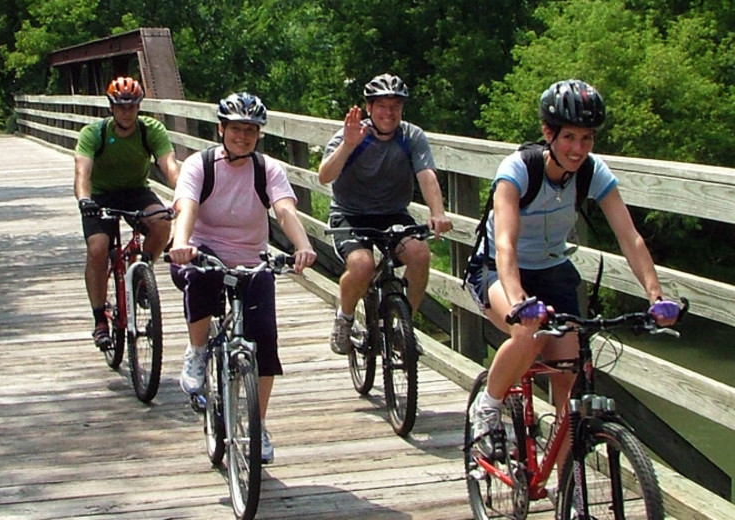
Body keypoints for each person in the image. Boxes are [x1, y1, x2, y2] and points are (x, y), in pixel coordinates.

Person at [465, 79, 681, 464]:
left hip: (552, 271)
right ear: (548, 133)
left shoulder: (591, 172)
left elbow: (630, 238)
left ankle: (566, 485)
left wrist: (655, 296)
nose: (578, 149)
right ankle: (488, 404)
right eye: (569, 137)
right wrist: (518, 301)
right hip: (497, 270)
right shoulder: (517, 169)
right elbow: (505, 246)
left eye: (587, 138)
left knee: (571, 374)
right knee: (528, 334)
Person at [167, 92, 317, 464]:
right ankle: (199, 352)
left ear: (259, 134)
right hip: (201, 252)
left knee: (264, 340)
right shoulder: (200, 166)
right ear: (221, 129)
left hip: (251, 260)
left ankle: (258, 424)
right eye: (235, 129)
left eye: (250, 130)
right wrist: (182, 242)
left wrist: (302, 245)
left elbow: (284, 210)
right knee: (200, 280)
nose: (243, 136)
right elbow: (186, 207)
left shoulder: (267, 170)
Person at [318, 73, 453, 355]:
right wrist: (348, 145)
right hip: (350, 214)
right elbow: (324, 176)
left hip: (393, 213)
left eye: (395, 106)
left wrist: (437, 212)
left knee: (420, 254)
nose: (389, 113)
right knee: (362, 266)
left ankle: (402, 325)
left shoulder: (411, 136)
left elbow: (426, 175)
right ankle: (344, 317)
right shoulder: (352, 134)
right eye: (382, 106)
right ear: (369, 108)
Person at [74, 76, 180, 350]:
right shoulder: (93, 134)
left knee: (161, 223)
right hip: (100, 195)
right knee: (98, 248)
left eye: (132, 106)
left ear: (139, 106)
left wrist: (183, 195)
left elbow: (169, 165)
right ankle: (100, 320)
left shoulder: (150, 130)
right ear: (110, 107)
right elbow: (82, 172)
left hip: (135, 191)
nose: (126, 112)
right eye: (120, 106)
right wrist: (85, 199)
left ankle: (140, 273)